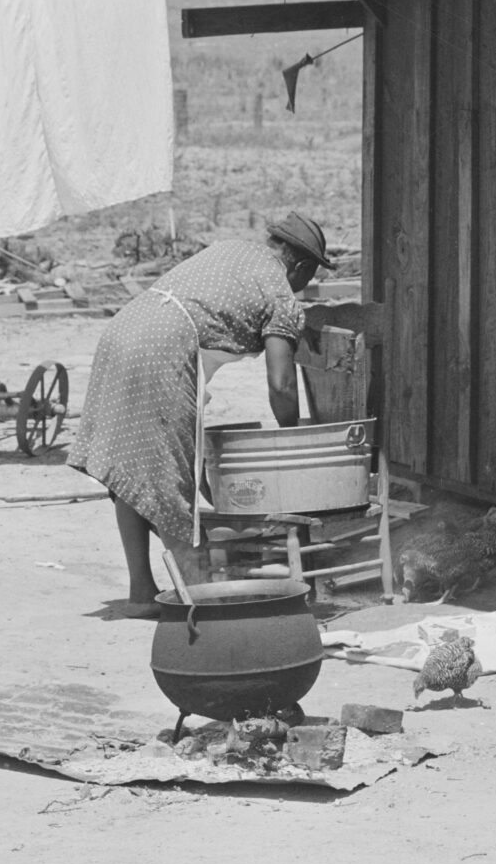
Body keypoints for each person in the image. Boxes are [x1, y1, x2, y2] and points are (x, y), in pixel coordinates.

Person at [68, 212, 330, 610]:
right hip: (161, 348)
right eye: (309, 277)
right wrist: (290, 444)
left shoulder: (233, 250)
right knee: (172, 476)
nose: (305, 286)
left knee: (134, 468)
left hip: (125, 329)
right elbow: (281, 383)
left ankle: (142, 591)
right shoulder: (281, 294)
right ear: (302, 265)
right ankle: (200, 596)